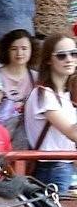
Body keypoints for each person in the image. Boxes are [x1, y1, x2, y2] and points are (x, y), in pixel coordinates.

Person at [26, 34, 77, 195]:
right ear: (49, 60)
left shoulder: (66, 94)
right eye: (62, 55)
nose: (69, 59)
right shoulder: (43, 94)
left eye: (73, 53)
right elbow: (72, 133)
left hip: (65, 166)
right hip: (52, 168)